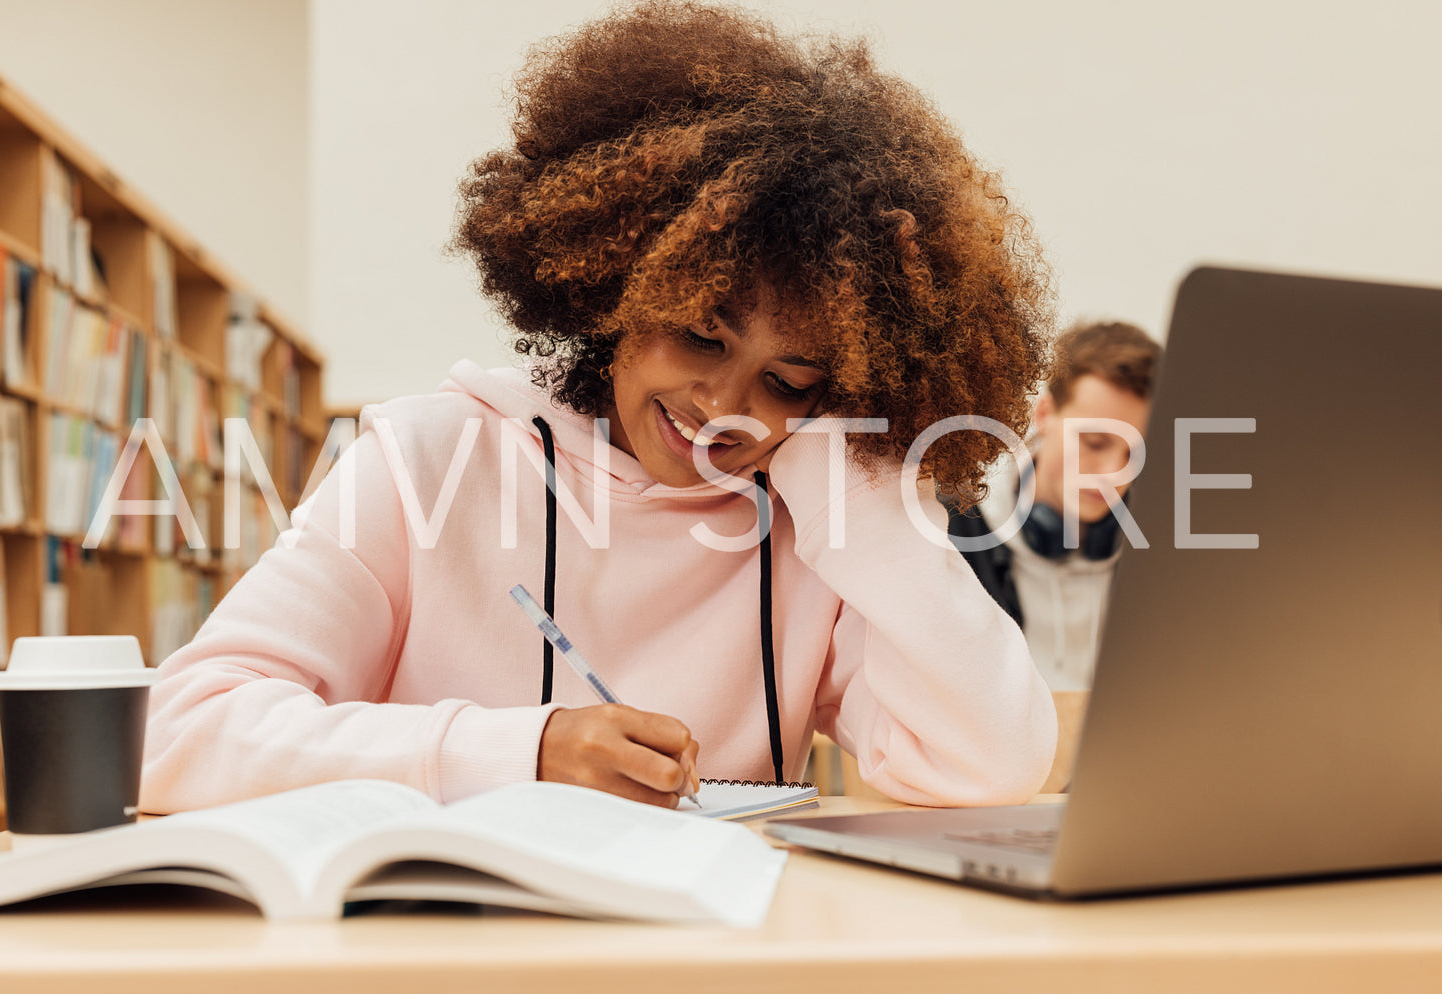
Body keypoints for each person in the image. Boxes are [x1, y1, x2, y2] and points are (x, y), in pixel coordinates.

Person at [140, 0, 1058, 814]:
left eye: (787, 379)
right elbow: (176, 735)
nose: (722, 405)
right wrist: (518, 750)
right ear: (617, 287)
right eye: (702, 333)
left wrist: (853, 484)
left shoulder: (810, 519)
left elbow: (986, 766)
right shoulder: (429, 457)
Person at [945, 321, 1162, 691]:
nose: (1113, 473)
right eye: (1094, 442)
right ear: (1044, 415)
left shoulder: (1163, 544)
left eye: (1134, 453)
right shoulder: (955, 527)